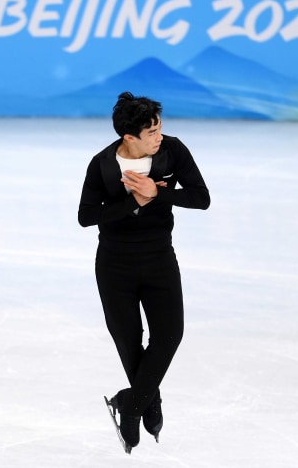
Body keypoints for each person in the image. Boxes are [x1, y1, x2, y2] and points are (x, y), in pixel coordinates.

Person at [77, 92, 210, 453]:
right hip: (114, 265)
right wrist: (133, 201)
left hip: (158, 259)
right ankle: (148, 399)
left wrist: (159, 193)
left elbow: (201, 197)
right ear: (129, 137)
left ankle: (131, 404)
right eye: (151, 131)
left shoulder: (172, 151)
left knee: (169, 335)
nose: (159, 136)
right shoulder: (103, 165)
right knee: (128, 340)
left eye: (160, 128)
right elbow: (86, 217)